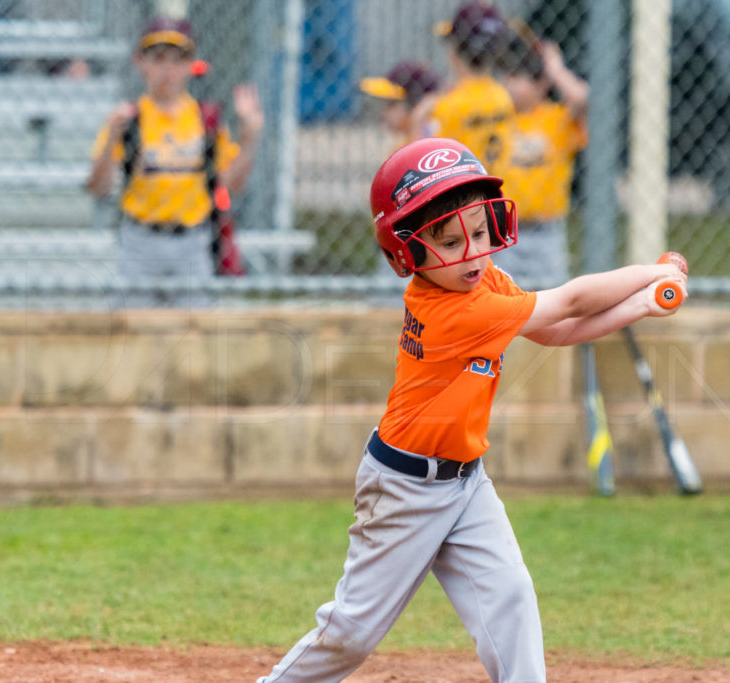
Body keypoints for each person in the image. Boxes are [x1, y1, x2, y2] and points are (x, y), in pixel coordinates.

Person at [256, 137, 687, 683]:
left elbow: (557, 332)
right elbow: (572, 301)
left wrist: (643, 305)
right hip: (405, 489)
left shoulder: (483, 283)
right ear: (407, 252)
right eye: (450, 242)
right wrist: (651, 272)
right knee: (351, 634)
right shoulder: (453, 311)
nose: (472, 254)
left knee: (510, 597)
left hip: (466, 482)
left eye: (480, 233)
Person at [86, 15, 263, 308]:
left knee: (193, 335)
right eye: (157, 58)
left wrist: (250, 136)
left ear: (190, 65)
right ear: (140, 62)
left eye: (177, 59)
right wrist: (111, 141)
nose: (167, 70)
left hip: (192, 241)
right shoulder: (130, 119)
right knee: (134, 332)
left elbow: (233, 184)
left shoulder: (204, 119)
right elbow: (99, 187)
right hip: (140, 241)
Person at [490, 34, 588, 289]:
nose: (507, 85)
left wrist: (555, 68)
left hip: (546, 232)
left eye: (516, 78)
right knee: (503, 299)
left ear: (541, 83)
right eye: (505, 77)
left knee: (552, 301)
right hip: (503, 232)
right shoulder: (497, 119)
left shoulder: (556, 119)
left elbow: (581, 99)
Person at [427, 1, 514, 176]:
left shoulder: (446, 105)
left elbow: (430, 165)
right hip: (499, 192)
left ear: (454, 54)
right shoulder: (503, 96)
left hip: (463, 197)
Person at [359, 60, 442, 145]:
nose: (382, 115)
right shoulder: (404, 144)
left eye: (390, 105)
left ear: (414, 103)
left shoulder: (440, 136)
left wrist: (418, 121)